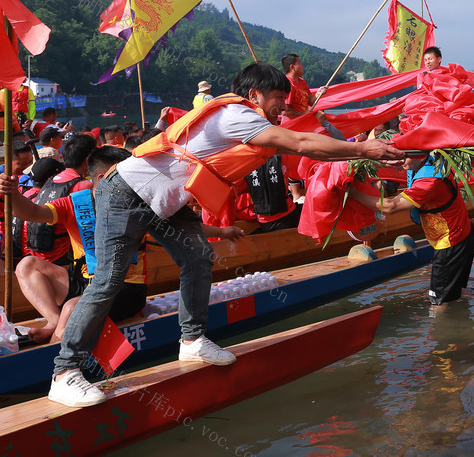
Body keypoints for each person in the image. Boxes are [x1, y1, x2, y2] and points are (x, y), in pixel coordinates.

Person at [39, 62, 403, 407]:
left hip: (163, 201)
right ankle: (64, 372)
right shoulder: (237, 114)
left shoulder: (250, 120)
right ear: (256, 95)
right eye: (278, 98)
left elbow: (304, 137)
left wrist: (364, 151)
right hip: (125, 194)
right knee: (109, 281)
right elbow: (301, 144)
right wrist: (361, 147)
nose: (282, 106)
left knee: (198, 256)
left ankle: (192, 339)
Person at [0, 147, 149, 343]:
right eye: (126, 176)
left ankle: (54, 358)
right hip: (85, 283)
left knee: (73, 308)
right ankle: (54, 322)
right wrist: (12, 194)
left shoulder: (139, 203)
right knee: (27, 265)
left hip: (126, 288)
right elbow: (32, 213)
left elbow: (185, 228)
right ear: (103, 179)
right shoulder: (76, 203)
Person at [350, 153, 474, 306]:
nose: (400, 160)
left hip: (451, 242)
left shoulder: (430, 181)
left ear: (422, 156)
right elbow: (393, 161)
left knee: (439, 304)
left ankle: (443, 328)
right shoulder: (428, 162)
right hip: (463, 234)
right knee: (457, 293)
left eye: (405, 156)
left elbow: (391, 206)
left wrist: (353, 193)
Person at [22, 132, 96, 265]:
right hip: (60, 256)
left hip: (39, 251)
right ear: (87, 160)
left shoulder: (52, 179)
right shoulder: (84, 186)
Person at [281, 54, 327, 119]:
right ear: (292, 67)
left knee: (321, 116)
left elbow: (311, 101)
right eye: (299, 63)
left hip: (304, 120)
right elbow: (285, 111)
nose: (302, 65)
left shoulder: (302, 81)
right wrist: (303, 114)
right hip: (292, 124)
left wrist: (319, 93)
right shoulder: (288, 83)